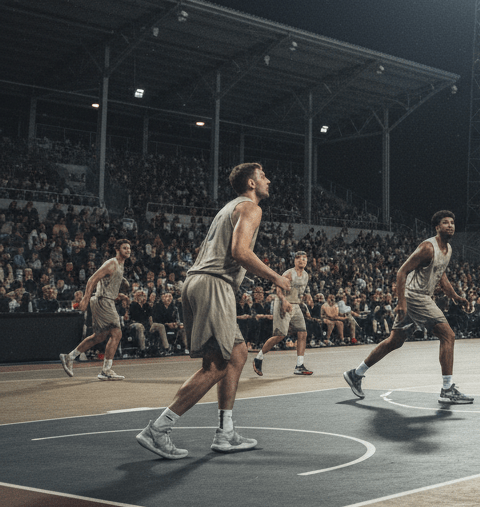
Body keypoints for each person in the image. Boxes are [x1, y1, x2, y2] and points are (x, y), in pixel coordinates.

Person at [136, 163, 291, 459]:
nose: (268, 180)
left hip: (199, 281)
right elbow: (239, 252)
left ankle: (225, 432)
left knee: (238, 354)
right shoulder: (250, 208)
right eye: (262, 176)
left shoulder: (228, 208)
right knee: (216, 366)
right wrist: (275, 277)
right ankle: (158, 429)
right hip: (213, 285)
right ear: (250, 182)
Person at [343, 210, 474, 404]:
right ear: (437, 227)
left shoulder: (448, 249)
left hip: (419, 297)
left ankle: (356, 373)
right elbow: (401, 272)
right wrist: (401, 302)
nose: (450, 225)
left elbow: (441, 274)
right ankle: (447, 389)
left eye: (452, 223)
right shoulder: (428, 247)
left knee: (395, 341)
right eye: (445, 223)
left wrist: (455, 296)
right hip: (415, 297)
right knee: (448, 336)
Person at [59, 239, 132, 381]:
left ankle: (70, 356)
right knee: (116, 333)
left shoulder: (121, 265)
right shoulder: (112, 263)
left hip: (104, 300)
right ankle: (106, 370)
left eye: (129, 248)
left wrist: (118, 296)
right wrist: (85, 298)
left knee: (99, 336)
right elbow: (92, 279)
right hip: (103, 301)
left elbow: (106, 286)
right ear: (117, 250)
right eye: (124, 248)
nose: (128, 250)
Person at [253, 250, 313, 376]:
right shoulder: (289, 273)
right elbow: (278, 288)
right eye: (299, 258)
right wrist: (284, 301)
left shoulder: (306, 275)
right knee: (280, 335)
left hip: (295, 305)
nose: (302, 260)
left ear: (307, 261)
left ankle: (299, 365)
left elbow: (300, 291)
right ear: (295, 260)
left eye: (304, 258)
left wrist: (308, 296)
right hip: (283, 304)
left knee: (302, 332)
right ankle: (258, 358)